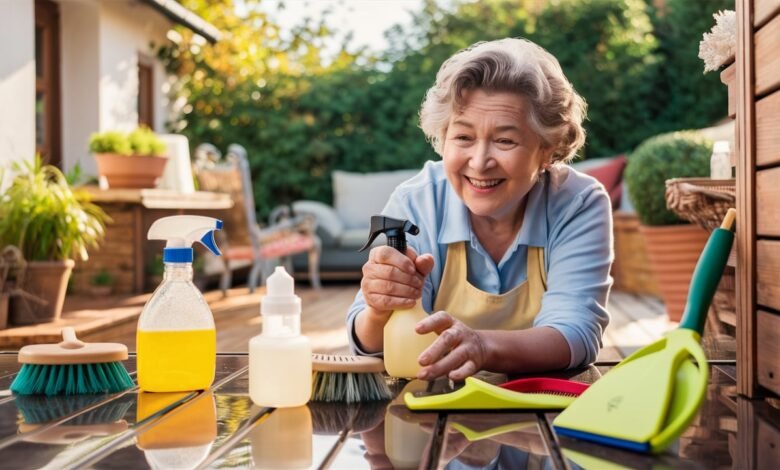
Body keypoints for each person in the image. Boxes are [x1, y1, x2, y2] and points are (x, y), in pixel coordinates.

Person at [346, 38, 612, 381]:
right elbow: (370, 345)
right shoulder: (417, 202)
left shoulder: (578, 202)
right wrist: (378, 310)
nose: (480, 162)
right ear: (443, 139)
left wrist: (483, 346)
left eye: (505, 141)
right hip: (435, 412)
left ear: (548, 149)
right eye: (463, 138)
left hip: (545, 406)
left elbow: (576, 333)